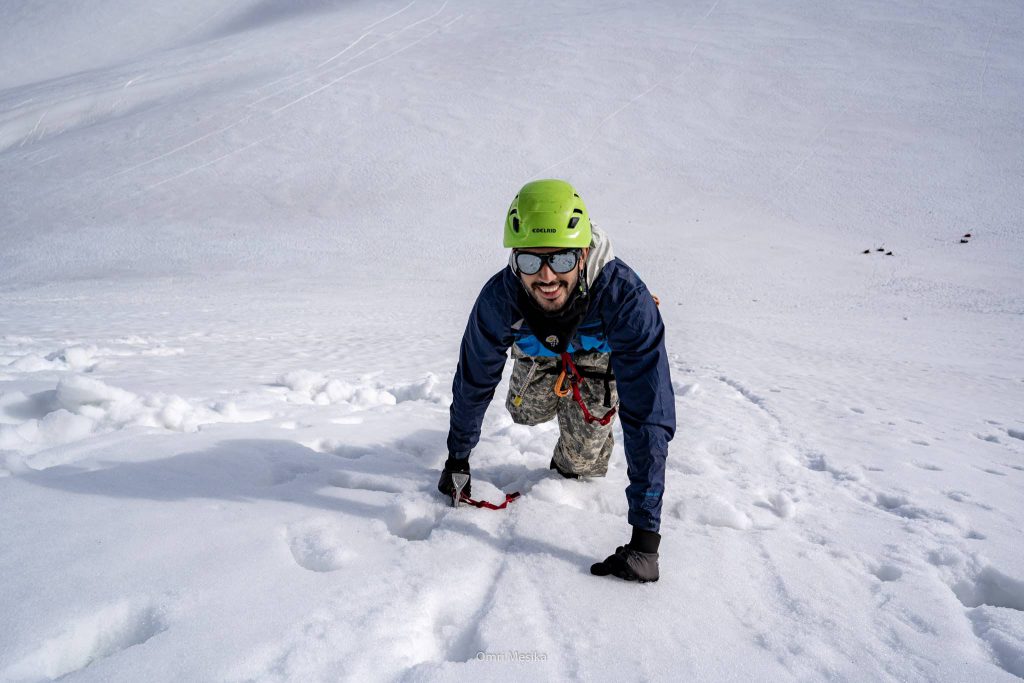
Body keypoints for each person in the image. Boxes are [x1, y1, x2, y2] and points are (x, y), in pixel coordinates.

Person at [437, 179, 675, 583]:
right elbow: (473, 380)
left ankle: (588, 406)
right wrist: (457, 457)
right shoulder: (499, 298)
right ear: (514, 260)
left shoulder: (626, 298)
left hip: (598, 362)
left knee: (579, 465)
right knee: (524, 412)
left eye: (561, 260)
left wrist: (644, 542)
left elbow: (649, 413)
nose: (546, 276)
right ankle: (545, 374)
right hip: (538, 353)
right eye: (530, 261)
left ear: (583, 254)